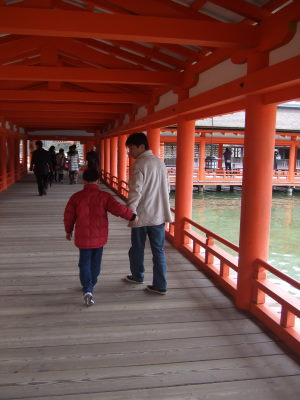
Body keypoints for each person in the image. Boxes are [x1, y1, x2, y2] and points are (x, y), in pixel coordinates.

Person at [64, 168, 137, 306]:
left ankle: (87, 288)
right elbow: (118, 209)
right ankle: (91, 284)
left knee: (84, 262)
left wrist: (68, 231)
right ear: (98, 181)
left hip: (83, 236)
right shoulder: (104, 196)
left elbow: (69, 216)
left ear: (84, 180)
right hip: (99, 236)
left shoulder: (76, 197)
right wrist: (132, 216)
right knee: (96, 262)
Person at [123, 132, 172, 295]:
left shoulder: (139, 164)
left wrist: (130, 212)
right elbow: (168, 188)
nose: (130, 152)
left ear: (141, 146)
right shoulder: (160, 163)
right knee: (158, 251)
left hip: (141, 216)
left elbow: (135, 192)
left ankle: (137, 276)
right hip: (158, 216)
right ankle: (160, 285)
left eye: (131, 147)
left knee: (137, 248)